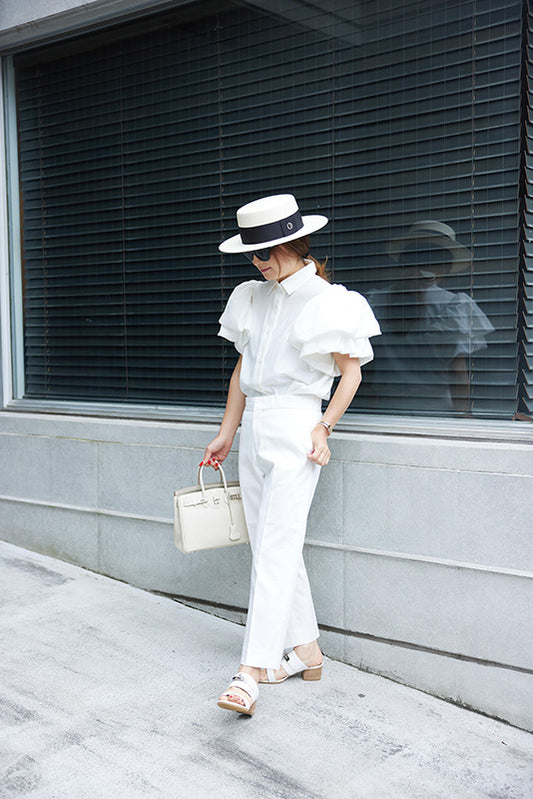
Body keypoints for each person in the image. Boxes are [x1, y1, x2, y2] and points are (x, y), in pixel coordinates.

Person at [202, 194, 381, 716]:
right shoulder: (251, 296)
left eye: (266, 251)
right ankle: (307, 651)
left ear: (294, 243)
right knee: (268, 545)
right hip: (256, 423)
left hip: (298, 427)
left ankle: (251, 671)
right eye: (251, 253)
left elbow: (351, 374)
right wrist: (227, 431)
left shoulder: (329, 300)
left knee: (277, 547)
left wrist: (324, 428)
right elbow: (242, 370)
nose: (257, 261)